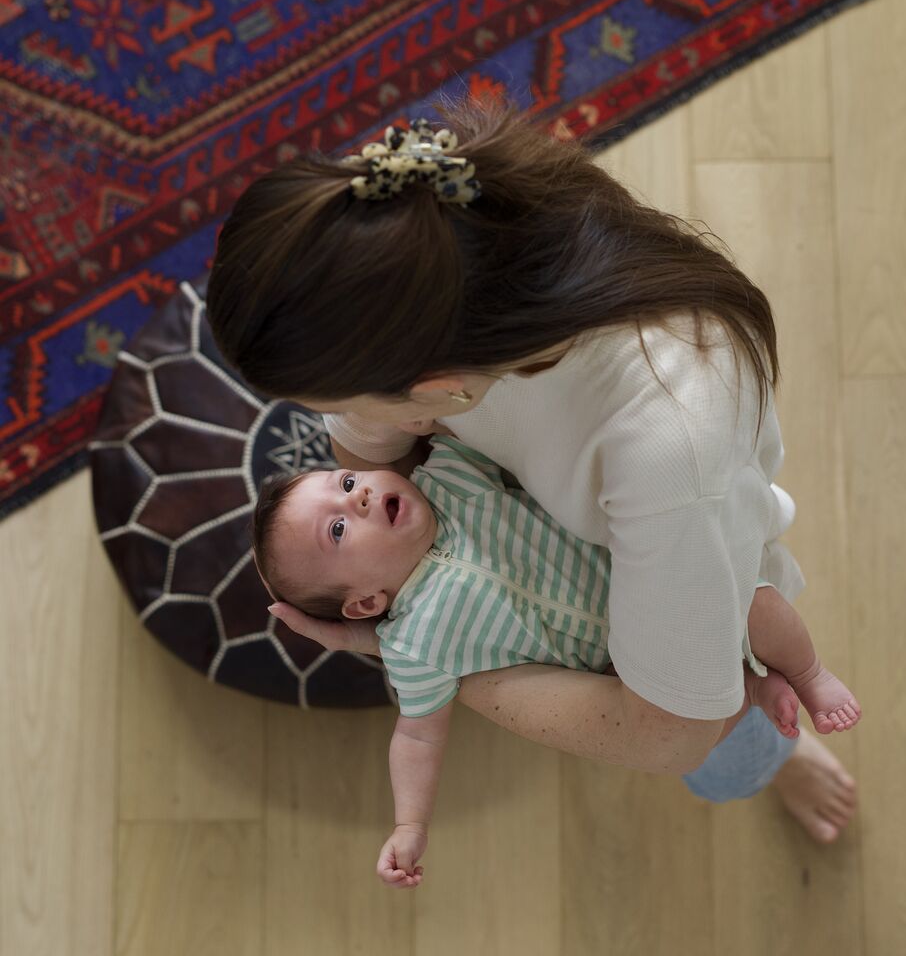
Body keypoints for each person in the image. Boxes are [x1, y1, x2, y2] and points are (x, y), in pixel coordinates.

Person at [208, 100, 859, 844]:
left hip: (706, 589)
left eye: (346, 406)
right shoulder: (435, 233)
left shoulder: (668, 452)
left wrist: (436, 653)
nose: (351, 471)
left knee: (734, 742)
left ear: (438, 391)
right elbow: (373, 443)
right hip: (607, 562)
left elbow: (675, 734)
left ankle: (781, 756)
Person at [251, 434, 861, 886]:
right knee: (715, 731)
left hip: (663, 587)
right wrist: (410, 824)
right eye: (335, 531)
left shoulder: (451, 478)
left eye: (346, 482)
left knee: (759, 605)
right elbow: (416, 737)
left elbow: (522, 450)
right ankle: (760, 693)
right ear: (364, 601)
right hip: (634, 669)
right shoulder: (414, 644)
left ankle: (806, 676)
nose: (357, 498)